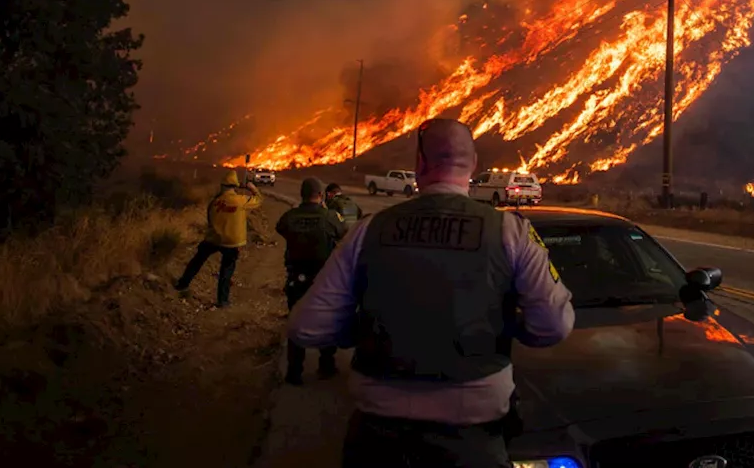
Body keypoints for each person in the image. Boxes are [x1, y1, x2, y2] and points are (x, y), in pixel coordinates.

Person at [288, 117, 575, 468]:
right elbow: (554, 325)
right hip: (472, 438)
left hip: (378, 437)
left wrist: (364, 331)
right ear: (474, 165)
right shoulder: (509, 231)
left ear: (420, 165)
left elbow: (307, 327)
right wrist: (504, 327)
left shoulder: (368, 231)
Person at [276, 177, 347, 384]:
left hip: (296, 279)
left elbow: (280, 228)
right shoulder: (329, 216)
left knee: (296, 323)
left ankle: (294, 372)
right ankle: (326, 365)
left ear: (302, 195)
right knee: (326, 321)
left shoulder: (290, 217)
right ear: (321, 195)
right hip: (323, 281)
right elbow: (343, 231)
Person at [174, 169, 263, 308]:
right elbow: (259, 200)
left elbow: (209, 219)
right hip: (233, 242)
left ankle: (182, 284)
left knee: (197, 260)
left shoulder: (214, 202)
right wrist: (252, 188)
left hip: (213, 239)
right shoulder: (241, 201)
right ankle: (223, 301)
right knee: (226, 271)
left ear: (222, 186)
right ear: (235, 186)